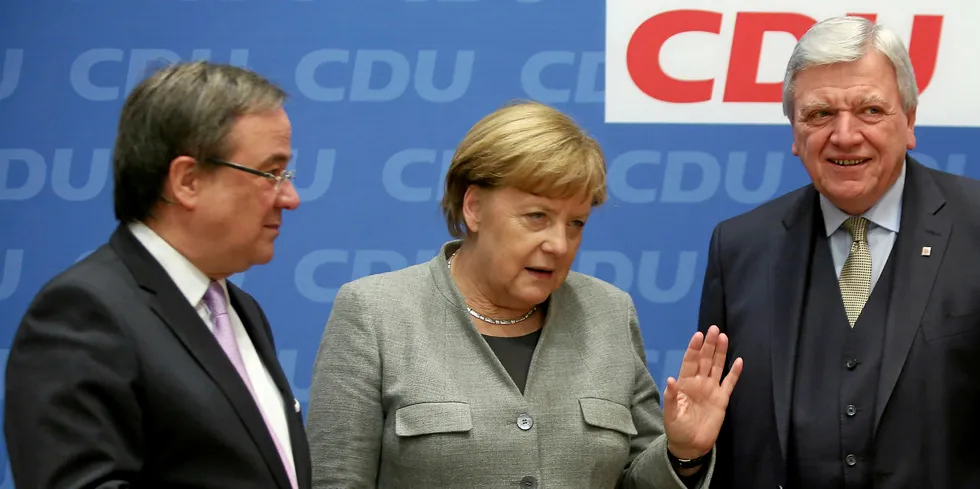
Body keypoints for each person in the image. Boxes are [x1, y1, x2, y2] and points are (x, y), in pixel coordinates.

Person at [305, 100, 743, 488]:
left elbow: (633, 480)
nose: (559, 243)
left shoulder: (609, 312)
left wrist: (682, 453)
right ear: (474, 207)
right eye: (537, 216)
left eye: (576, 223)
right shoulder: (375, 312)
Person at [697, 16, 980, 489]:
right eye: (819, 114)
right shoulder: (740, 248)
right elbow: (721, 437)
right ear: (794, 131)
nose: (845, 135)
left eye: (870, 110)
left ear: (909, 121)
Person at [3, 61, 311, 489]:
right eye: (270, 174)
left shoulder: (241, 310)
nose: (290, 197)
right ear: (187, 180)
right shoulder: (84, 314)